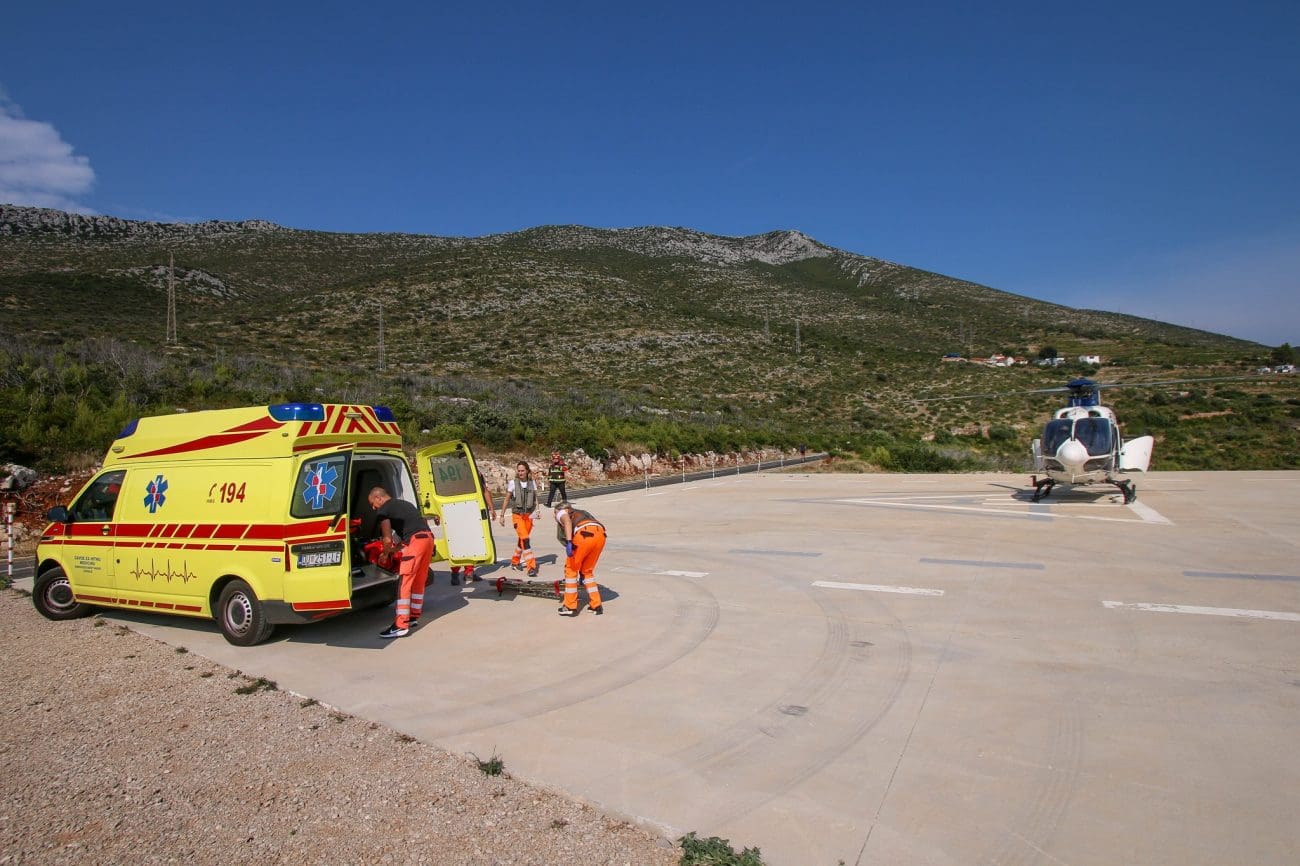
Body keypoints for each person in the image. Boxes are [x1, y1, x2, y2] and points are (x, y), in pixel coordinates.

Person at [368, 486, 434, 638]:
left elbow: (387, 538)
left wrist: (385, 553)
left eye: (373, 503)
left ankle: (400, 624)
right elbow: (409, 535)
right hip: (427, 539)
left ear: (379, 498)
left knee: (404, 582)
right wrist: (392, 551)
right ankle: (413, 616)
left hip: (415, 542)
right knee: (418, 580)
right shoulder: (405, 504)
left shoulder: (383, 510)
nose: (373, 507)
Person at [554, 500, 605, 616]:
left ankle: (569, 605)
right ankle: (596, 605)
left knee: (571, 570)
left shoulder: (561, 511)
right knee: (587, 571)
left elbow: (566, 522)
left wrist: (569, 542)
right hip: (600, 535)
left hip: (584, 535)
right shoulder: (581, 512)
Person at [450, 471, 497, 585]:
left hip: (472, 511)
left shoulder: (477, 473)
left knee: (470, 543)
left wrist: (491, 508)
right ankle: (455, 573)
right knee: (458, 543)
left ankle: (468, 572)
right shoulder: (455, 473)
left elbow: (484, 490)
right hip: (457, 511)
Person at [498, 461, 540, 576]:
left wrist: (538, 510)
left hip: (529, 516)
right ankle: (531, 567)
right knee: (525, 539)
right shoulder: (512, 483)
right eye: (519, 470)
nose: (520, 472)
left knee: (521, 540)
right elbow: (506, 500)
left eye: (522, 470)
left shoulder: (532, 483)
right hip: (518, 516)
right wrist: (502, 515)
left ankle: (515, 562)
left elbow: (536, 498)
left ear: (527, 471)